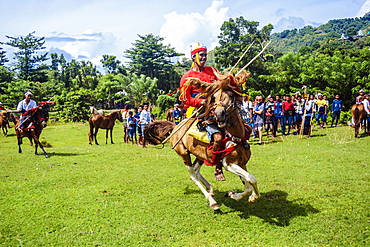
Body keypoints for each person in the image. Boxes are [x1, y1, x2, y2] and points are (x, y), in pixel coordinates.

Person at [179, 42, 226, 181]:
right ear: (193, 57)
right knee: (216, 134)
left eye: (205, 55)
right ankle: (217, 167)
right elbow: (185, 99)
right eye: (201, 55)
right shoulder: (187, 76)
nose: (204, 57)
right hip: (198, 109)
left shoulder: (212, 70)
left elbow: (222, 82)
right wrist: (202, 102)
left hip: (215, 105)